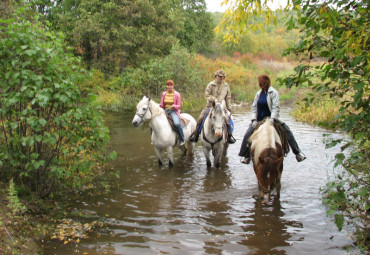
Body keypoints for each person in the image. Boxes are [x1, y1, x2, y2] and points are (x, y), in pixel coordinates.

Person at [239, 74, 306, 164]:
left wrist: (272, 119)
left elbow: (276, 108)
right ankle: (246, 156)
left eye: (260, 82)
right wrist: (254, 120)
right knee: (247, 134)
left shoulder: (273, 93)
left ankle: (298, 153)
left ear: (264, 82)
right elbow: (254, 107)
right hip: (259, 120)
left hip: (271, 119)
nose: (259, 84)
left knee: (288, 132)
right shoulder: (258, 93)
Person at [189, 70, 236, 144]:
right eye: (219, 76)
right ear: (216, 76)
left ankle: (229, 136)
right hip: (211, 106)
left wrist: (229, 108)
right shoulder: (211, 85)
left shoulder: (226, 86)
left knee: (227, 119)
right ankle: (196, 134)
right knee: (201, 117)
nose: (220, 78)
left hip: (221, 107)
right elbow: (207, 95)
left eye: (222, 77)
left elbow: (228, 98)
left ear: (224, 77)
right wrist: (214, 100)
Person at [159, 80, 185, 146]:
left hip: (173, 111)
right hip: (165, 111)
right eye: (168, 85)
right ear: (166, 86)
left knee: (176, 123)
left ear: (173, 86)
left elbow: (179, 105)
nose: (169, 86)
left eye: (171, 85)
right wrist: (158, 105)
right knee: (155, 121)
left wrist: (174, 106)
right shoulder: (164, 94)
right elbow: (162, 105)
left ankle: (182, 138)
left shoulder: (177, 94)